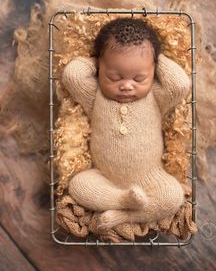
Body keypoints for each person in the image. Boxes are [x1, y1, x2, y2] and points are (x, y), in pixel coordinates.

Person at [62, 17, 190, 231]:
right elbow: (72, 75)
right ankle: (122, 201)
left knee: (172, 196)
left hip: (150, 176)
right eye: (114, 77)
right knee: (79, 186)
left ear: (153, 72)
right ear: (99, 69)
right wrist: (97, 59)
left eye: (139, 78)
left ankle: (122, 217)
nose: (127, 86)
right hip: (104, 177)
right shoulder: (94, 96)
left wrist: (156, 58)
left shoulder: (156, 98)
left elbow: (180, 84)